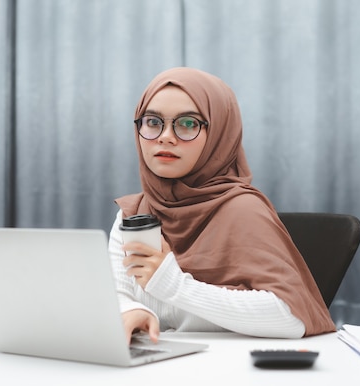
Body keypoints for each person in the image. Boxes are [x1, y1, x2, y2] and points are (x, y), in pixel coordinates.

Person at [109, 67, 335, 343]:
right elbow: (118, 293)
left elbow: (291, 317)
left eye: (188, 124)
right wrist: (131, 310)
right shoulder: (134, 213)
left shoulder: (243, 211)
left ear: (219, 134)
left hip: (239, 374)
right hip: (160, 370)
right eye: (153, 122)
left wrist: (173, 285)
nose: (166, 136)